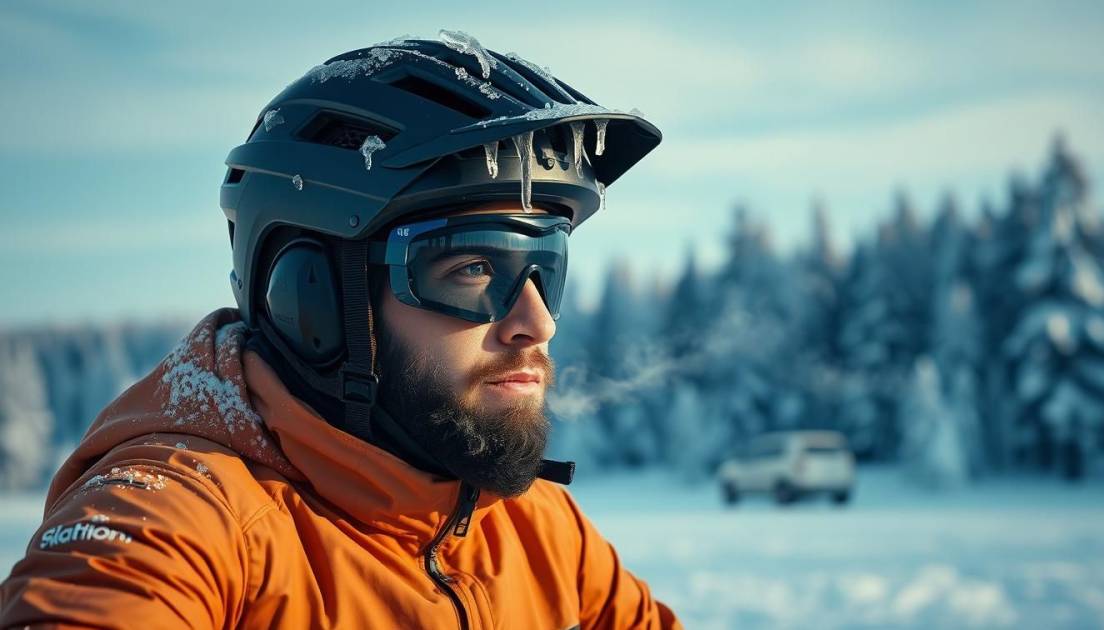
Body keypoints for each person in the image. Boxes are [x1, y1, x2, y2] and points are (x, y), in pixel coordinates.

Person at [1, 33, 680, 629]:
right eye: (474, 268)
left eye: (545, 270)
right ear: (314, 301)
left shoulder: (535, 531)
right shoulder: (180, 516)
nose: (536, 323)